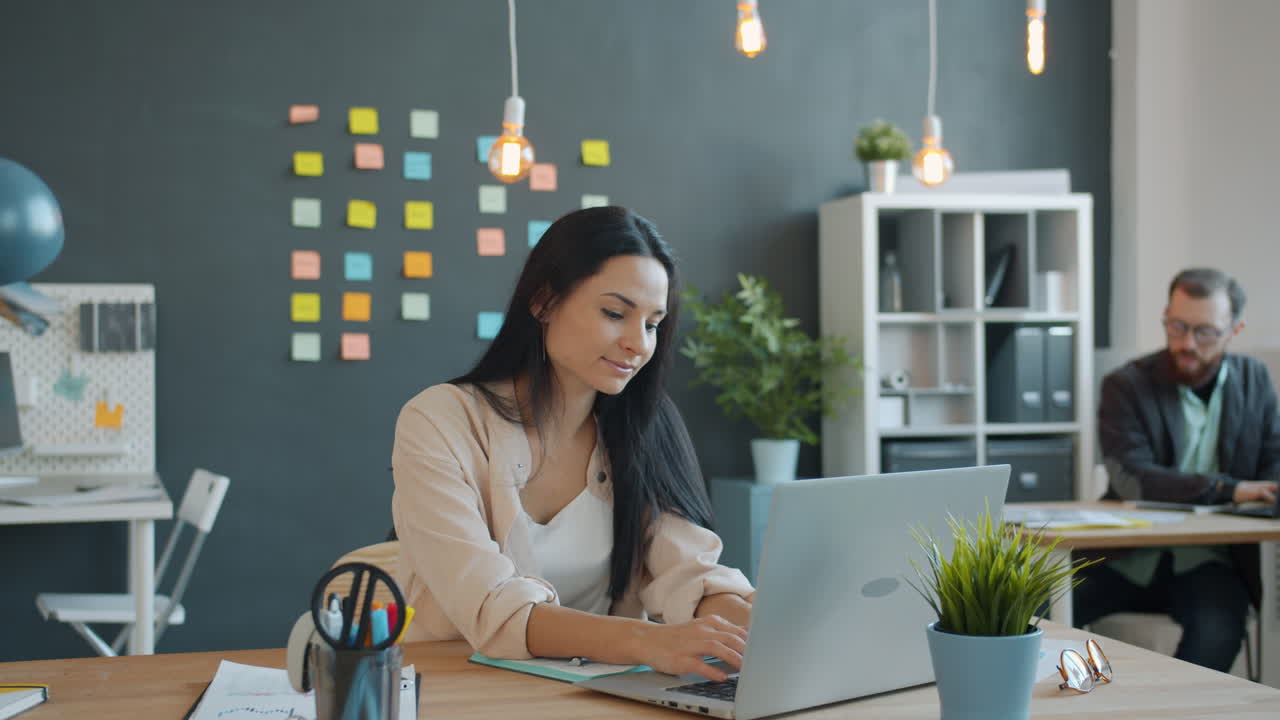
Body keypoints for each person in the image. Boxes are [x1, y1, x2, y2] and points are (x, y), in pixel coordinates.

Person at [391, 206, 754, 681]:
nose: (639, 344)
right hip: (455, 685)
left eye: (652, 324)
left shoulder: (644, 425)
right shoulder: (440, 420)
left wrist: (758, 625)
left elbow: (690, 575)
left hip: (586, 694)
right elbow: (492, 607)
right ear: (544, 301)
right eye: (615, 313)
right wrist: (646, 641)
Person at [1077, 267, 1280, 671]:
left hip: (1210, 562)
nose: (1187, 343)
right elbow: (1134, 479)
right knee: (1024, 604)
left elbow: (1273, 462)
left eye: (1205, 332)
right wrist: (1229, 489)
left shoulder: (1254, 379)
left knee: (1217, 633)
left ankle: (1167, 705)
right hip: (1123, 558)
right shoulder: (1126, 384)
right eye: (1177, 326)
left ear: (1234, 330)